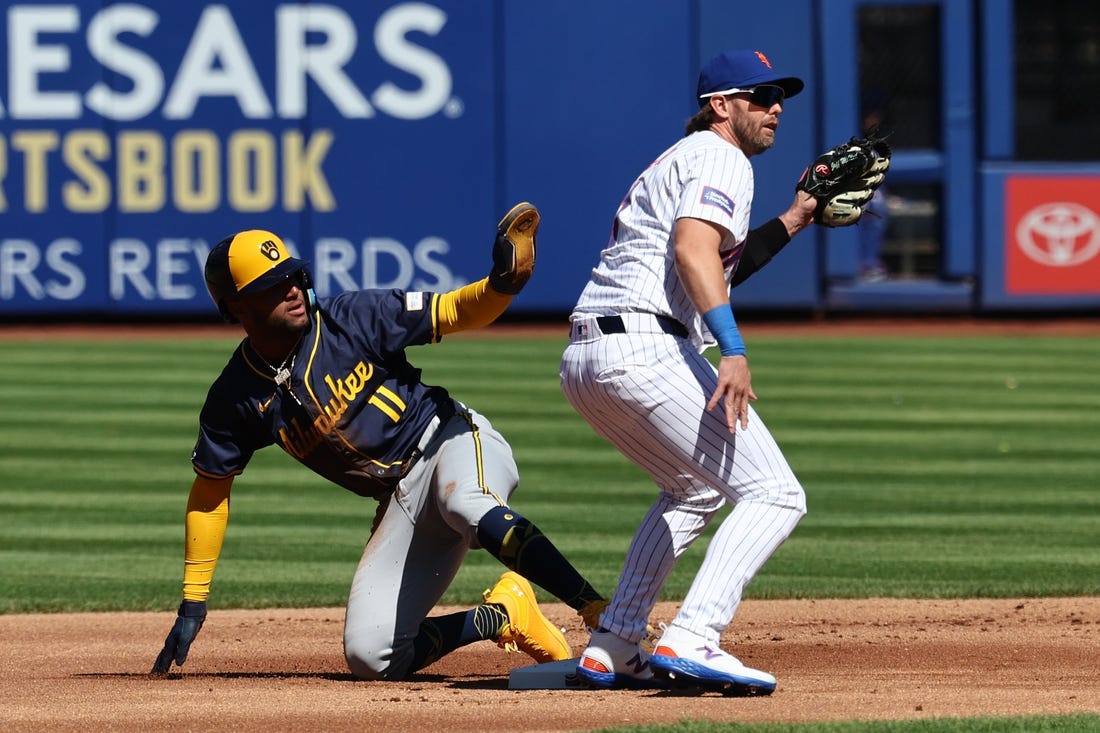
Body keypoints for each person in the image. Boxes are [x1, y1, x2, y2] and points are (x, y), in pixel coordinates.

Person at [151, 204, 609, 681]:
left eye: (294, 276)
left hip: (449, 442)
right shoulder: (235, 398)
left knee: (467, 502)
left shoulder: (353, 318)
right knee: (372, 656)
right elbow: (210, 491)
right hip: (402, 500)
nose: (291, 289)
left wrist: (502, 285)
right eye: (272, 285)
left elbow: (457, 309)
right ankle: (504, 614)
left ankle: (600, 612)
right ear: (235, 307)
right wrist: (193, 601)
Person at [559, 49, 818, 693]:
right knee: (775, 494)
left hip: (591, 355)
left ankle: (617, 641)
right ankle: (696, 635)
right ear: (720, 105)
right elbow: (694, 250)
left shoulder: (688, 158)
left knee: (694, 488)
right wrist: (733, 347)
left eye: (778, 95)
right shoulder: (719, 155)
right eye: (759, 96)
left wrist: (798, 216)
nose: (775, 106)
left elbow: (720, 260)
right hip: (645, 347)